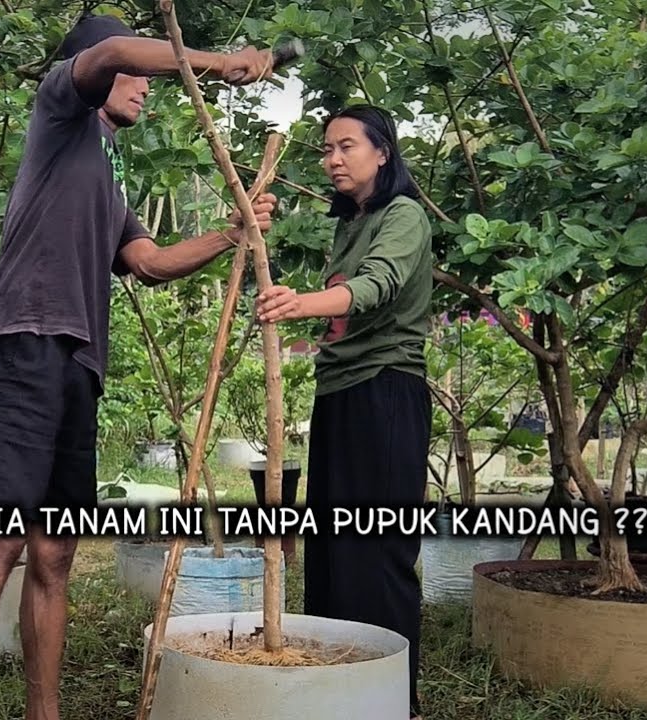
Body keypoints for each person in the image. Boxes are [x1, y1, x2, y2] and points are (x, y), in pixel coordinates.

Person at [0, 14, 277, 720]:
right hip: (23, 343)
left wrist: (232, 230)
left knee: (55, 552)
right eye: (139, 78)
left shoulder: (108, 166)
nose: (147, 87)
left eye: (152, 79)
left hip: (78, 362)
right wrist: (217, 63)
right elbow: (120, 49)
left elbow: (149, 265)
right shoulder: (62, 109)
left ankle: (46, 712)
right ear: (91, 69)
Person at [255, 104, 433, 720]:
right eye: (326, 149)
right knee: (331, 551)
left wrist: (298, 303)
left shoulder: (403, 215)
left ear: (383, 152)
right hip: (340, 393)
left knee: (375, 551)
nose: (333, 159)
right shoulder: (350, 223)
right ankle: (337, 689)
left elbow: (375, 286)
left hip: (386, 392)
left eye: (347, 146)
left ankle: (388, 698)